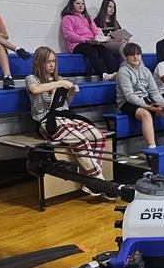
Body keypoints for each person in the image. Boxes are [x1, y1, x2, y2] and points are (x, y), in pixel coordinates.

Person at [25, 47, 111, 198]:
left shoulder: (59, 79)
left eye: (53, 61)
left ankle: (92, 182)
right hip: (47, 121)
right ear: (38, 62)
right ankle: (100, 181)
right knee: (81, 140)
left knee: (98, 136)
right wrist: (60, 84)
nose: (51, 65)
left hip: (66, 117)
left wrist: (70, 94)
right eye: (48, 62)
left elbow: (64, 104)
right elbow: (36, 90)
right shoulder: (32, 79)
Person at [115, 43, 164, 148]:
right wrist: (146, 106)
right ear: (126, 57)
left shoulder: (146, 71)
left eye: (138, 54)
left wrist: (163, 103)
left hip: (145, 99)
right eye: (132, 55)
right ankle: (152, 149)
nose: (136, 57)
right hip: (127, 103)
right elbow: (129, 96)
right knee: (146, 114)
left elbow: (154, 92)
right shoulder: (123, 72)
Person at [60, 0, 118, 80]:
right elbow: (68, 34)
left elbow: (95, 30)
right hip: (77, 44)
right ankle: (103, 75)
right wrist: (86, 40)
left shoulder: (88, 18)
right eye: (78, 3)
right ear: (72, 5)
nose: (81, 5)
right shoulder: (67, 18)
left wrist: (97, 39)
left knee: (105, 51)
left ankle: (113, 74)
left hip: (90, 42)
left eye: (82, 3)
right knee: (92, 51)